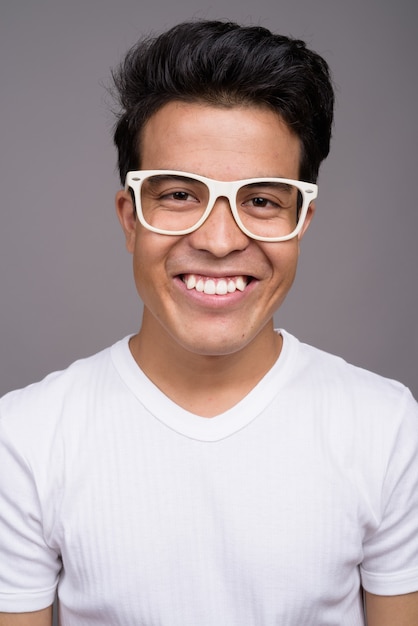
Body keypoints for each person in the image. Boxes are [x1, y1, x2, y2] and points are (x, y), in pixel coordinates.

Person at [0, 19, 417, 626]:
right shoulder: (24, 439)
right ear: (129, 218)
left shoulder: (389, 428)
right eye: (178, 195)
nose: (219, 240)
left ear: (302, 221)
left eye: (262, 200)